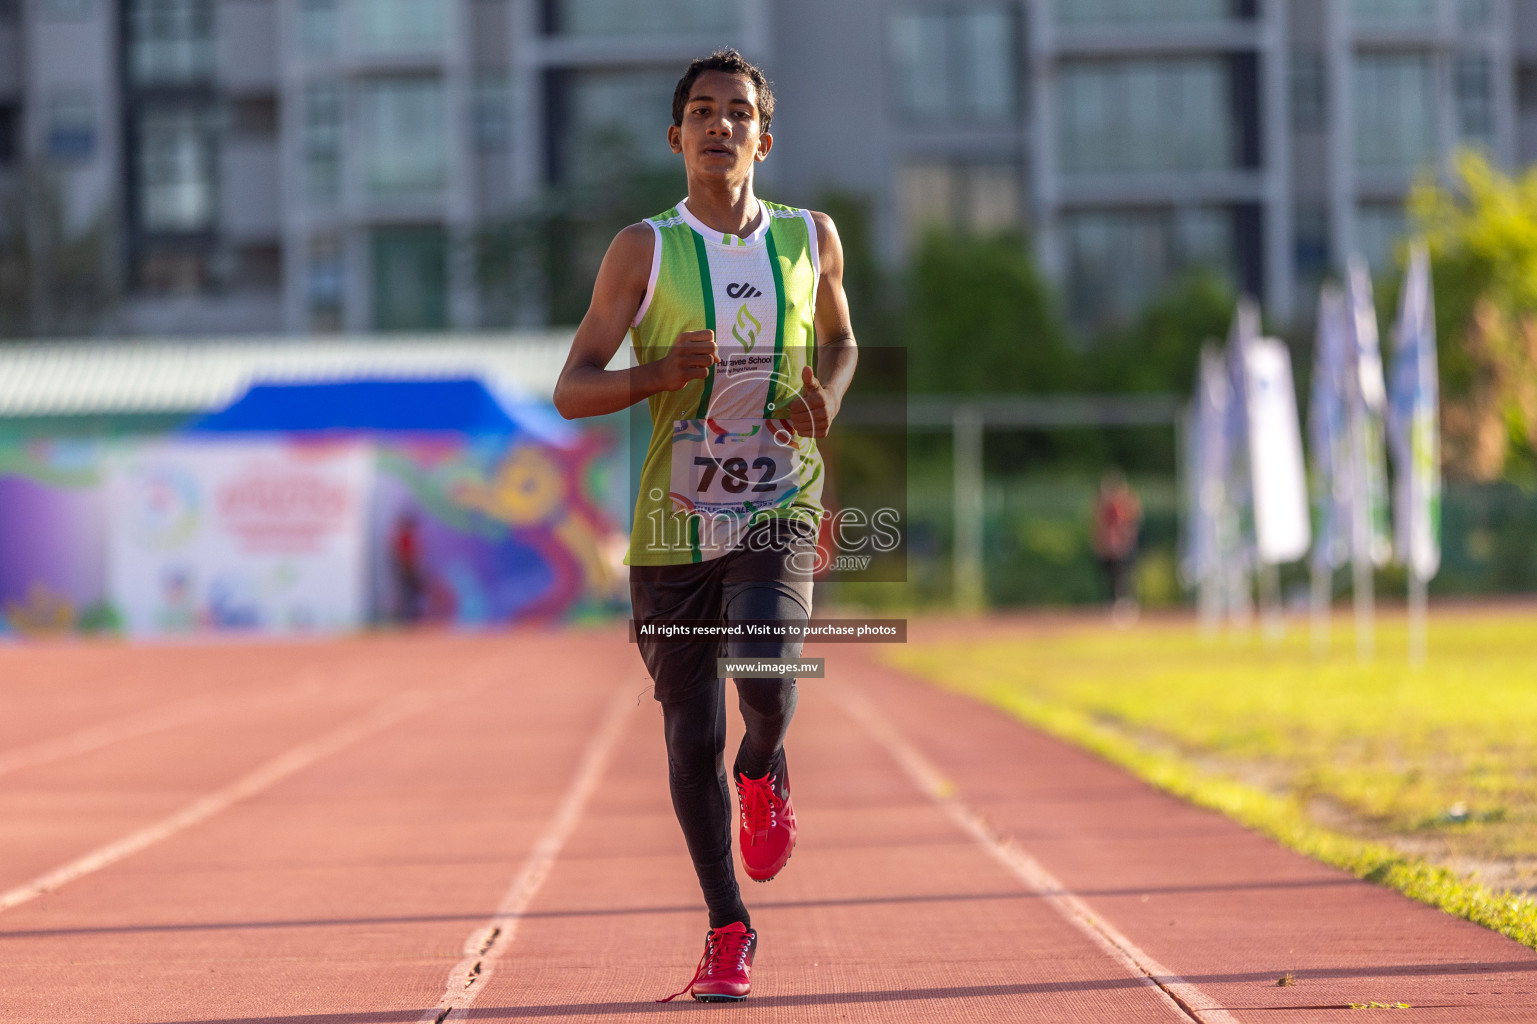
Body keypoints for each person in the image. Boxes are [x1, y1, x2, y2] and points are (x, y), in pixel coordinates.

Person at [552, 49, 857, 1002]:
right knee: (688, 740)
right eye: (701, 112)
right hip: (671, 523)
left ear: (765, 138)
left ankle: (763, 767)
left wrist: (827, 404)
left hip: (778, 499)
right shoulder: (640, 251)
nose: (718, 126)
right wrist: (658, 375)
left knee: (764, 676)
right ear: (676, 135)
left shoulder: (812, 238)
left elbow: (841, 341)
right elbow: (571, 388)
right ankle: (729, 928)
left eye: (736, 113)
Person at [1092, 469, 1142, 622]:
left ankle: (1123, 604)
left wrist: (1122, 542)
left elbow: (1130, 525)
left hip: (1121, 547)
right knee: (1111, 577)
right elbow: (1099, 527)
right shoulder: (1104, 506)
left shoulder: (1123, 505)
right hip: (1109, 548)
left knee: (1122, 577)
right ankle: (1114, 604)